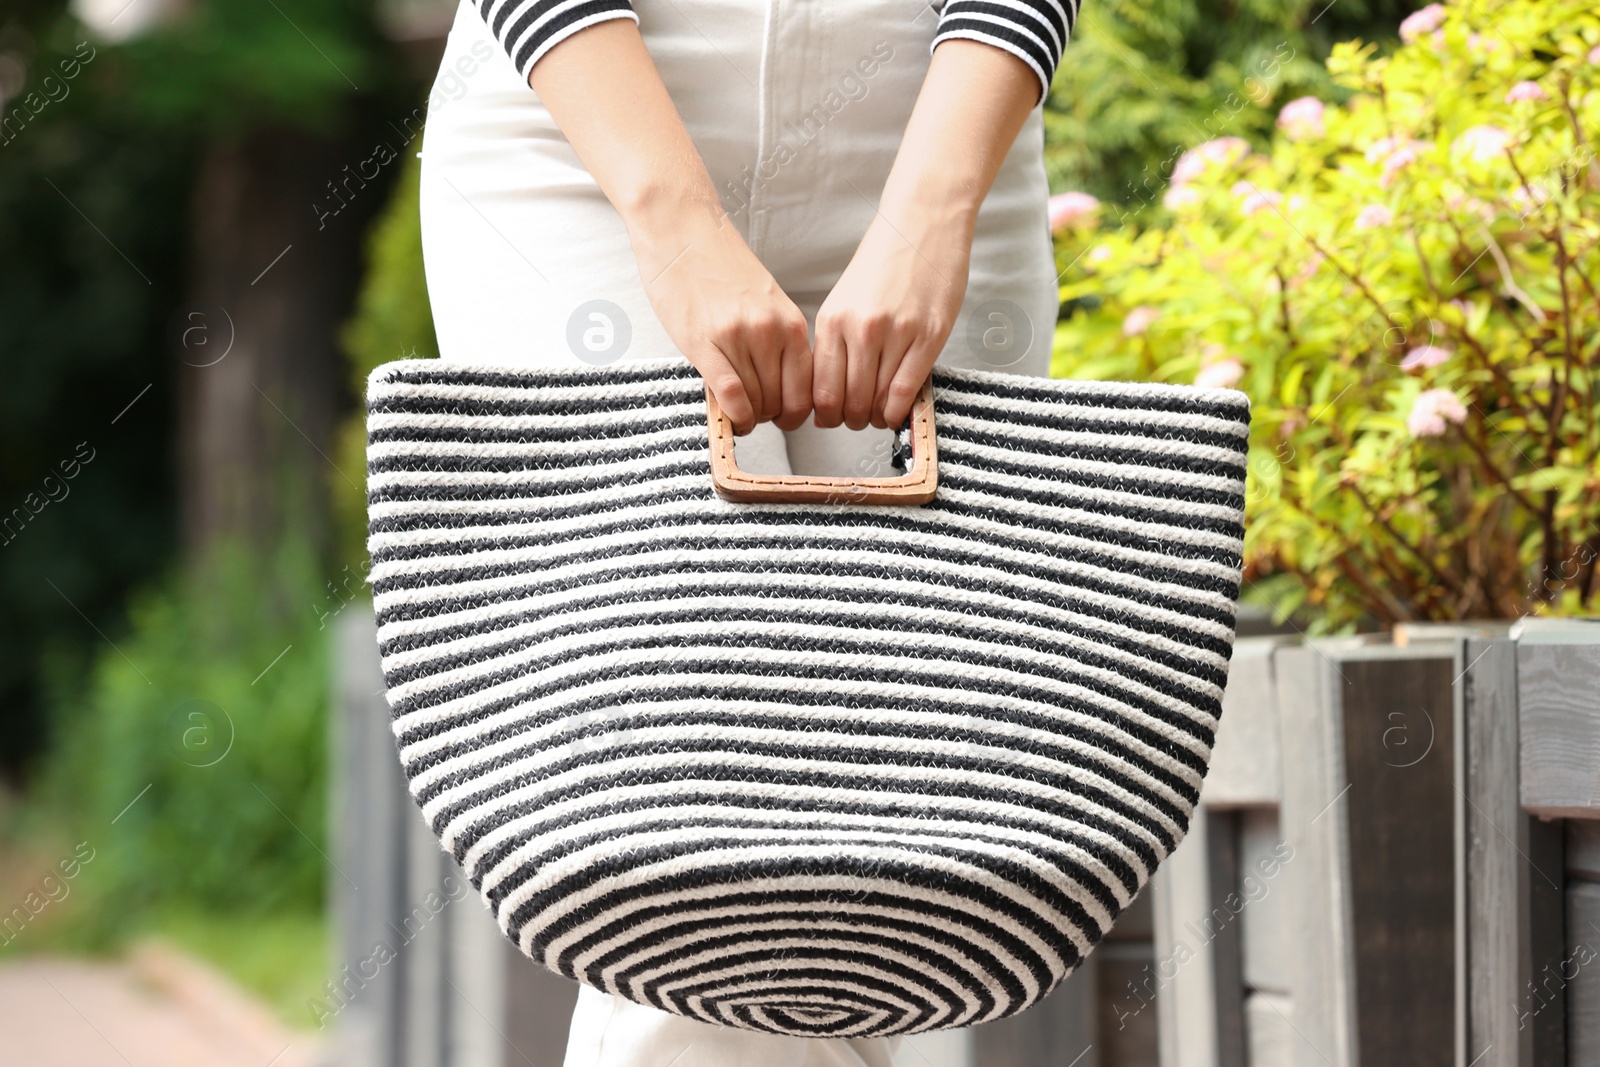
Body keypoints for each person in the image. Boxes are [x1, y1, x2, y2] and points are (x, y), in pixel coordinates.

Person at [417, 1, 1078, 1062]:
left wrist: (932, 208)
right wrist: (677, 227)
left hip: (936, 114)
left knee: (891, 848)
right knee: (680, 809)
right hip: (585, 124)